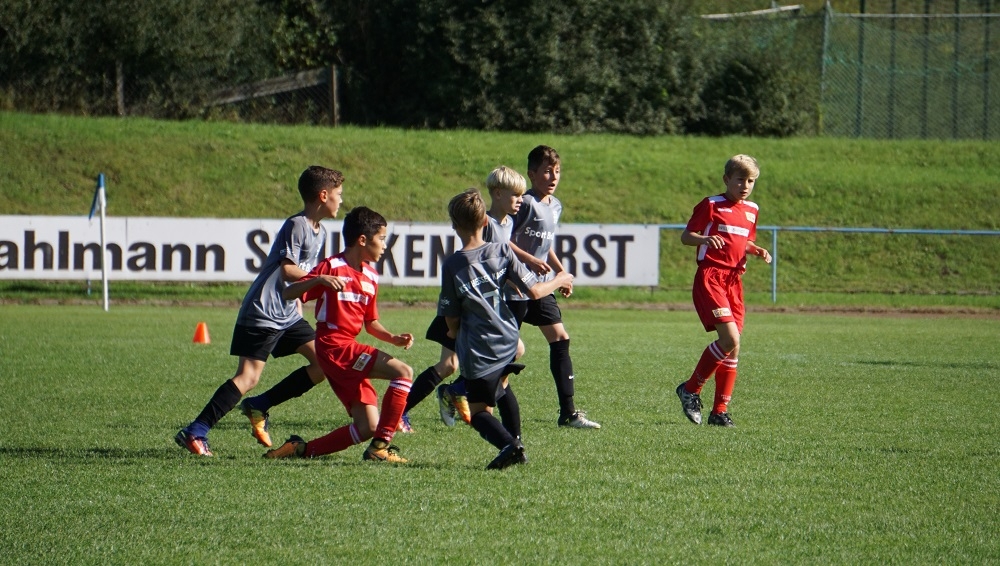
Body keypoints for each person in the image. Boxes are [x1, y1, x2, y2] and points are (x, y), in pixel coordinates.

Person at [174, 166, 344, 456]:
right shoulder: (297, 225)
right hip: (263, 311)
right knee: (248, 377)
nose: (341, 200)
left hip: (287, 314)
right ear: (323, 195)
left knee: (324, 362)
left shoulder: (320, 231)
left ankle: (259, 405)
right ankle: (196, 430)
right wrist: (320, 279)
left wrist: (300, 303)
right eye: (339, 194)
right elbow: (288, 270)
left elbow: (297, 278)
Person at [264, 206, 415, 463]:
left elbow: (371, 323)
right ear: (363, 240)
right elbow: (288, 292)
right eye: (381, 239)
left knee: (367, 426)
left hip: (346, 348)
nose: (384, 245)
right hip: (333, 346)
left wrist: (394, 338)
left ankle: (299, 449)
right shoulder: (332, 267)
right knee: (403, 372)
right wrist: (318, 279)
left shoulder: (371, 276)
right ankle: (380, 447)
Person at [439, 188, 574, 469]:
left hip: (479, 346)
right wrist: (560, 279)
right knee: (502, 388)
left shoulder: (453, 264)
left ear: (454, 225)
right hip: (509, 337)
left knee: (478, 411)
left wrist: (454, 332)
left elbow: (451, 318)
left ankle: (511, 446)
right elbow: (535, 291)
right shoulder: (502, 251)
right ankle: (517, 446)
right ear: (485, 221)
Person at [399, 165, 527, 430]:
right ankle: (406, 410)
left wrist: (509, 279)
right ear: (498, 194)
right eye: (515, 194)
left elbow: (498, 260)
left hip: (481, 309)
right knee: (454, 364)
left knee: (456, 363)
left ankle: (460, 396)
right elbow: (480, 262)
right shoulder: (486, 224)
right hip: (468, 309)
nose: (520, 200)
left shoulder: (507, 223)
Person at [507, 145, 601, 429]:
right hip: (513, 285)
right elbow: (503, 240)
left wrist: (560, 272)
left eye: (557, 171)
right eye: (547, 171)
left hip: (539, 284)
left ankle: (568, 413)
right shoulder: (524, 203)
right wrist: (528, 261)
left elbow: (545, 243)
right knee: (507, 349)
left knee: (560, 338)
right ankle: (459, 390)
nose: (553, 177)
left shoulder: (555, 205)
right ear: (532, 174)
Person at [675, 154, 772, 427]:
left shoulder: (752, 209)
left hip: (734, 281)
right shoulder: (711, 204)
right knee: (729, 339)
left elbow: (743, 241)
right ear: (726, 179)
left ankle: (719, 411)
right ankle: (690, 389)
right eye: (740, 179)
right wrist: (705, 238)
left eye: (750, 181)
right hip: (712, 277)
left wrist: (756, 249)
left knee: (734, 347)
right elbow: (686, 236)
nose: (745, 185)